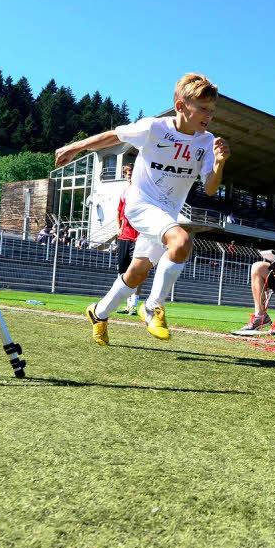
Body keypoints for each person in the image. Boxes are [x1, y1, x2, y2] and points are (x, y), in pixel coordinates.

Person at [55, 73, 230, 345]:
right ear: (181, 106)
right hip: (141, 205)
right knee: (182, 240)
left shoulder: (206, 142)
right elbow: (114, 135)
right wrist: (75, 147)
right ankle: (153, 307)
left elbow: (209, 188)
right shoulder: (154, 128)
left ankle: (98, 313)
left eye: (212, 110)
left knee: (137, 272)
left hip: (167, 214)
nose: (209, 116)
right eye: (203, 109)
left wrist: (219, 163)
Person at [115, 163, 141, 315]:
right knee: (122, 272)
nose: (129, 173)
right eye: (126, 172)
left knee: (137, 271)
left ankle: (134, 305)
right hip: (124, 237)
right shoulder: (124, 191)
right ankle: (126, 304)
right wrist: (118, 228)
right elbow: (118, 212)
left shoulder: (141, 190)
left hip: (138, 238)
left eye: (131, 171)